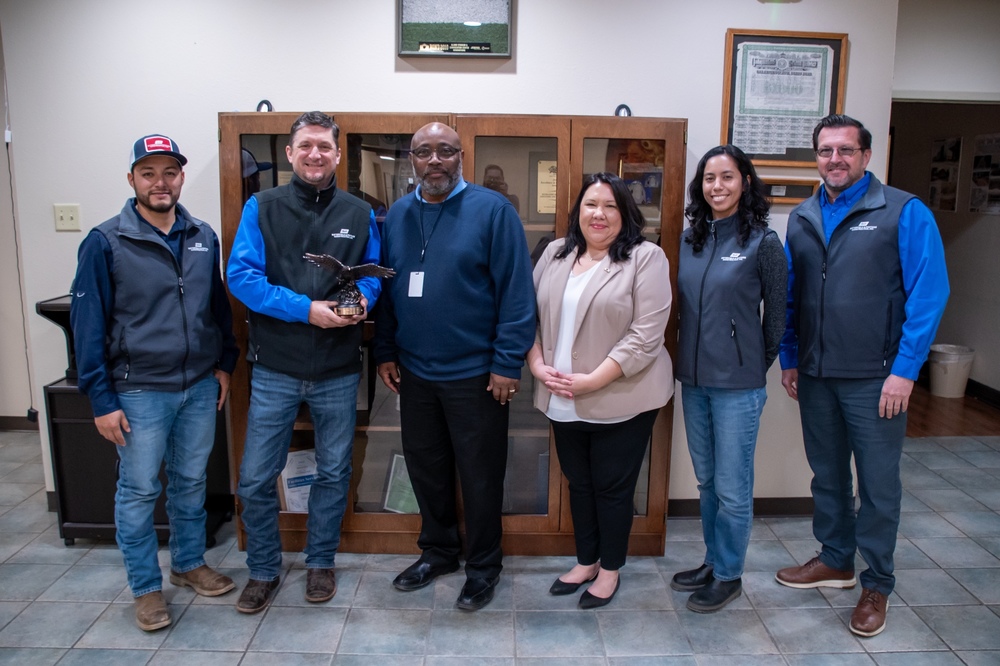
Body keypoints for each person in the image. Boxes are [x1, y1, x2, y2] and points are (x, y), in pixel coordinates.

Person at [776, 114, 949, 637]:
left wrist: (905, 370)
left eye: (846, 150)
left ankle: (877, 582)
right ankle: (835, 559)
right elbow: (791, 297)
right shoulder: (803, 218)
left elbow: (929, 293)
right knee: (827, 476)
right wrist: (789, 358)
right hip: (816, 375)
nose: (835, 159)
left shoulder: (903, 211)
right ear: (817, 158)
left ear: (866, 156)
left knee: (877, 486)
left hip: (878, 380)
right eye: (826, 151)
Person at [70, 134, 239, 631]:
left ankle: (188, 565)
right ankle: (146, 589)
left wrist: (224, 363)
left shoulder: (202, 234)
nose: (160, 182)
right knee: (140, 490)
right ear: (132, 181)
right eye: (149, 173)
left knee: (190, 483)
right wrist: (101, 398)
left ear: (181, 177)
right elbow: (88, 327)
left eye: (169, 172)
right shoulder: (105, 241)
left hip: (199, 386)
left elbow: (217, 310)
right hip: (138, 390)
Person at [373, 122, 535, 611]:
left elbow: (517, 294)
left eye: (445, 151)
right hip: (416, 374)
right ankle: (439, 551)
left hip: (476, 376)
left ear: (460, 156)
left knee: (480, 475)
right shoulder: (398, 215)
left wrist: (507, 363)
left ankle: (484, 566)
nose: (435, 160)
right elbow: (387, 290)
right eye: (424, 152)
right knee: (427, 469)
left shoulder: (493, 211)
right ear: (412, 160)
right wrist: (385, 349)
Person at [227, 111, 382, 614]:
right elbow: (242, 279)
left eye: (325, 147)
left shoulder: (360, 213)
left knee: (335, 472)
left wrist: (361, 302)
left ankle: (320, 562)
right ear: (291, 153)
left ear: (338, 155)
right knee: (254, 477)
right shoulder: (261, 206)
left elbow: (373, 276)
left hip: (339, 368)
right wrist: (306, 310)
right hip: (275, 366)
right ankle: (264, 570)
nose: (315, 154)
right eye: (306, 146)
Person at [527, 172, 673, 609]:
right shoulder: (555, 252)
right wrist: (536, 364)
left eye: (610, 205)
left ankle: (610, 570)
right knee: (579, 483)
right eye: (591, 204)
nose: (599, 214)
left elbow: (646, 335)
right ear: (578, 211)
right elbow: (526, 314)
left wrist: (594, 380)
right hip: (560, 395)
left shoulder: (646, 258)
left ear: (625, 213)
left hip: (623, 395)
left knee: (611, 487)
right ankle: (586, 560)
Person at [670, 145, 787, 612]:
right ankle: (713, 559)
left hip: (738, 385)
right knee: (707, 482)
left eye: (727, 177)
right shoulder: (687, 240)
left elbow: (777, 317)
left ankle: (729, 574)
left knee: (733, 487)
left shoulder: (763, 241)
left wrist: (753, 364)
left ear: (745, 182)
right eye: (709, 178)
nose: (717, 186)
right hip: (693, 381)